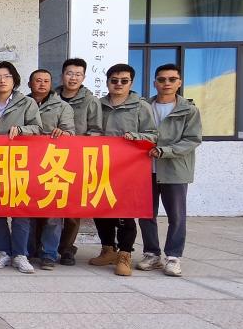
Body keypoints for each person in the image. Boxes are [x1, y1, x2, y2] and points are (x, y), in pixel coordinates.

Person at [90, 63, 157, 277]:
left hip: (129, 169)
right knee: (101, 208)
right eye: (114, 80)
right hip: (101, 166)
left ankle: (125, 253)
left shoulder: (141, 106)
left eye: (124, 81)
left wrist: (135, 137)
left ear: (131, 83)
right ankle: (108, 249)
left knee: (125, 211)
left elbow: (153, 135)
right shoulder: (98, 105)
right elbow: (91, 130)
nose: (118, 84)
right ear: (107, 82)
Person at [137, 64, 202, 277]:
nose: (167, 83)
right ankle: (151, 254)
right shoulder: (143, 106)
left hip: (175, 170)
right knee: (146, 214)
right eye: (162, 79)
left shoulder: (189, 110)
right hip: (144, 170)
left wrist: (164, 151)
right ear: (154, 82)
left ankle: (173, 257)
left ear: (179, 82)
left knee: (176, 216)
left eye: (172, 79)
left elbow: (192, 140)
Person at [0, 61, 43, 275]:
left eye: (7, 76)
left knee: (20, 210)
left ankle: (20, 254)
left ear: (15, 80)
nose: (2, 80)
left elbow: (38, 128)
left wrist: (21, 130)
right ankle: (3, 251)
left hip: (20, 163)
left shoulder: (26, 103)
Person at [56, 58, 104, 264]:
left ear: (83, 77)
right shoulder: (52, 97)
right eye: (69, 73)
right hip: (51, 159)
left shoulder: (90, 101)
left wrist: (78, 145)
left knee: (72, 208)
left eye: (78, 74)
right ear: (62, 75)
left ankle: (67, 248)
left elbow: (96, 131)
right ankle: (45, 246)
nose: (73, 78)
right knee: (47, 203)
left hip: (77, 160)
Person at [27, 69, 75, 270]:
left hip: (53, 164)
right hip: (27, 164)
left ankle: (49, 254)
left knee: (53, 213)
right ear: (30, 83)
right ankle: (28, 251)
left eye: (46, 81)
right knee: (26, 210)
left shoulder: (62, 106)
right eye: (38, 80)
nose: (42, 84)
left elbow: (71, 133)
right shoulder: (22, 104)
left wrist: (63, 133)